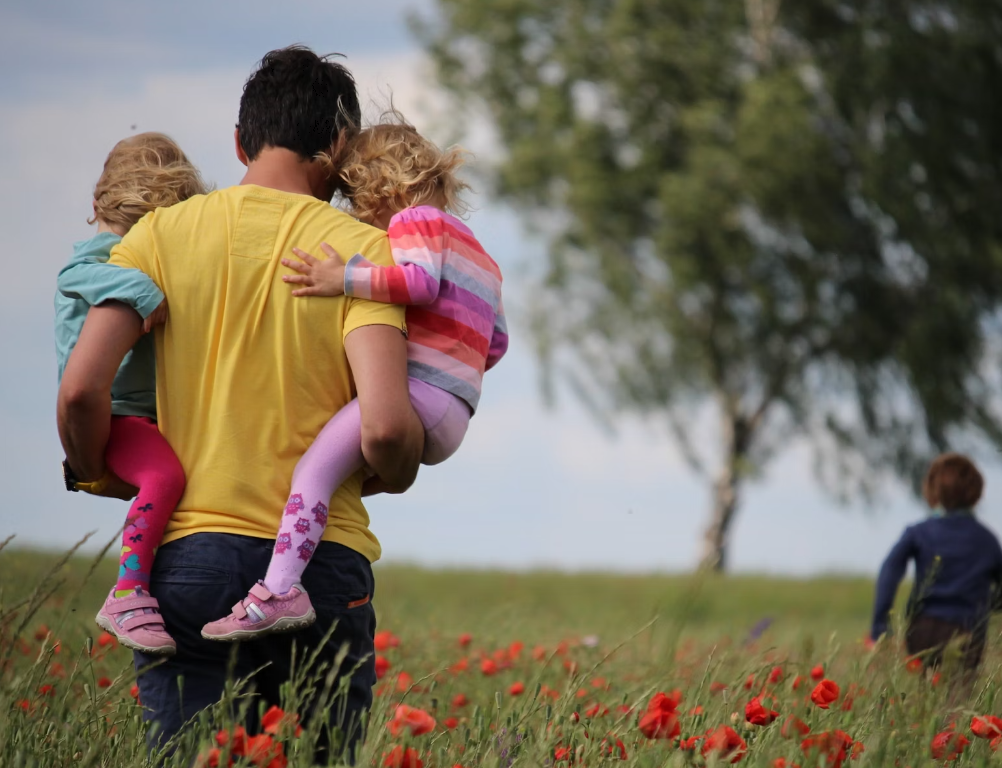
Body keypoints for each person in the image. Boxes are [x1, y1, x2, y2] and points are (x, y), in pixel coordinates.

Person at [56, 46, 424, 759]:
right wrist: (400, 465)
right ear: (340, 145)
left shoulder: (158, 237)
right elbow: (383, 427)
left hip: (187, 559)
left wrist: (96, 465)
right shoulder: (364, 255)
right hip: (320, 568)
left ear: (238, 141)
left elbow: (79, 388)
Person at [202, 117, 508, 641]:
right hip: (456, 411)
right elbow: (496, 343)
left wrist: (341, 277)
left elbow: (417, 282)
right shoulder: (482, 254)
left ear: (383, 187)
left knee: (312, 473)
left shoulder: (415, 222)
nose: (360, 215)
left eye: (357, 199)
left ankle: (279, 591)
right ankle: (297, 562)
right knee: (339, 476)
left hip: (418, 395)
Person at [55, 132, 208, 655]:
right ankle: (129, 591)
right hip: (117, 414)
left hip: (143, 415)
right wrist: (142, 289)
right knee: (165, 476)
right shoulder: (102, 257)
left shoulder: (128, 250)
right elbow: (76, 274)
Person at [870, 452, 1002, 672]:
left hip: (922, 629)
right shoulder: (987, 540)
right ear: (975, 492)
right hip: (967, 630)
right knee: (959, 700)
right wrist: (986, 604)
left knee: (925, 697)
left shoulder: (918, 533)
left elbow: (889, 572)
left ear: (932, 491)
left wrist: (880, 627)